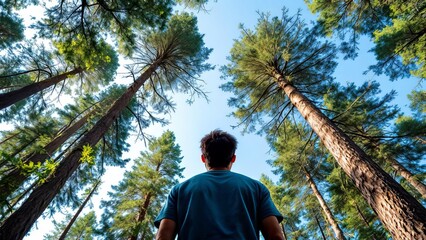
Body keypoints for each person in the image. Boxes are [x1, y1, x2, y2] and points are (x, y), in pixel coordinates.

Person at [154, 130, 284, 240]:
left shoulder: (179, 190)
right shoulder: (257, 188)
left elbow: (163, 237)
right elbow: (276, 236)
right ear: (233, 158)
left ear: (203, 158)